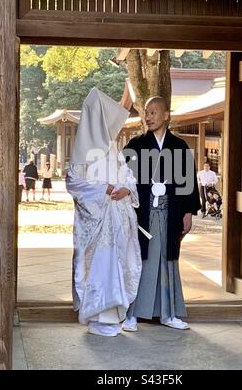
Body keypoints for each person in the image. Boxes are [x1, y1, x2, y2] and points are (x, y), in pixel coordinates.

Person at [66, 87, 142, 337]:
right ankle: (98, 315)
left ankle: (113, 315)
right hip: (97, 222)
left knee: (117, 267)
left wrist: (126, 190)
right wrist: (104, 188)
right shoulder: (83, 149)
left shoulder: (114, 151)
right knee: (100, 266)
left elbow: (129, 177)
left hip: (117, 220)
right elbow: (73, 182)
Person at [122, 96, 201, 332]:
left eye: (154, 112)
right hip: (143, 212)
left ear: (167, 115)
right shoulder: (135, 145)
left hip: (170, 211)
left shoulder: (179, 146)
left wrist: (188, 211)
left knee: (167, 260)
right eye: (146, 112)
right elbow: (123, 177)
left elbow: (188, 181)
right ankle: (131, 314)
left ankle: (168, 313)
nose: (148, 116)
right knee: (140, 259)